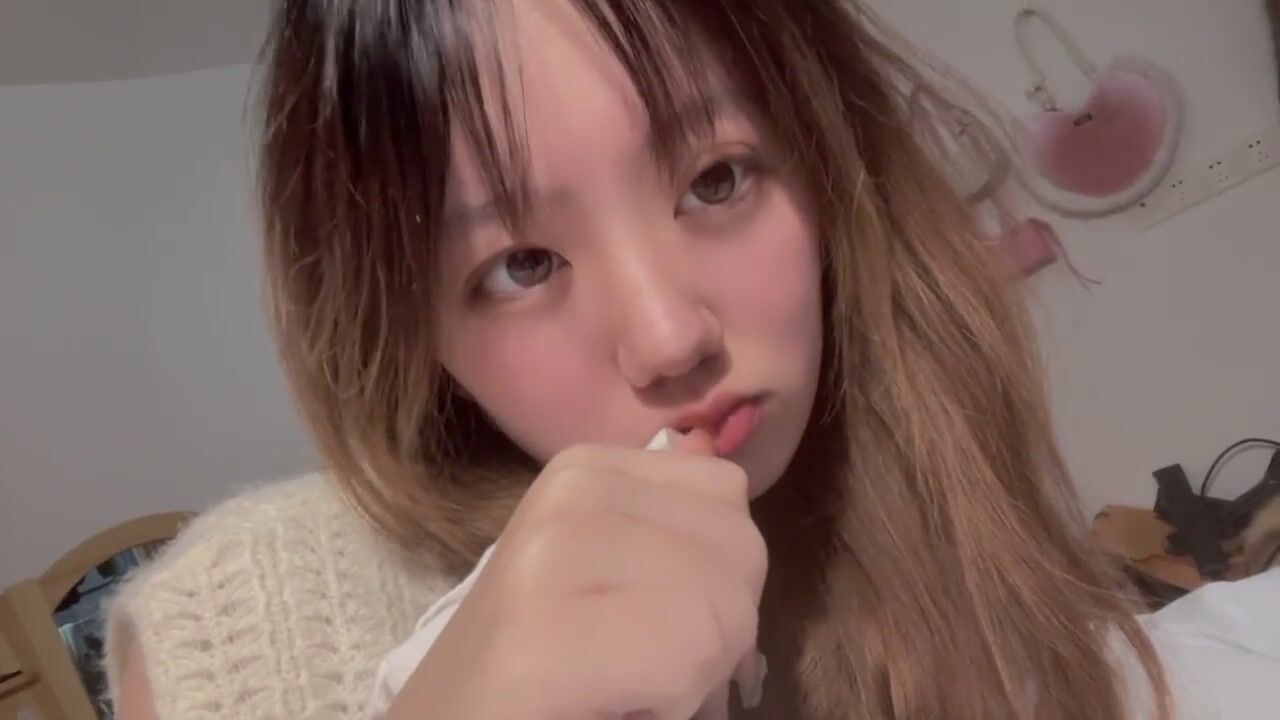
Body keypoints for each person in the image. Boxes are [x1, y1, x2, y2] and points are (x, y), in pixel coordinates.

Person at [105, 0, 1278, 718]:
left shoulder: (928, 482)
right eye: (520, 265)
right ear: (413, 339)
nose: (669, 338)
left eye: (716, 180)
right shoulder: (244, 631)